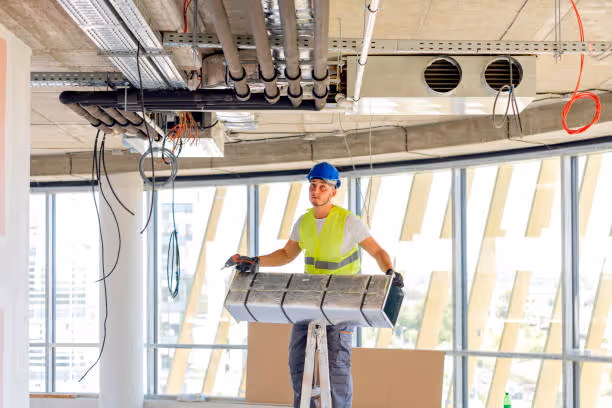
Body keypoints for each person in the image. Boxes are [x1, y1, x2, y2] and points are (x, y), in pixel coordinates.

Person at [226, 162, 403, 408]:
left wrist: (390, 272)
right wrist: (256, 261)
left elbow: (377, 251)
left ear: (334, 191)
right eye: (313, 186)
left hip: (343, 304)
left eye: (322, 187)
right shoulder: (304, 222)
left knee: (336, 368)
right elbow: (287, 254)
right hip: (309, 302)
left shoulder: (349, 222)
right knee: (299, 362)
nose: (316, 191)